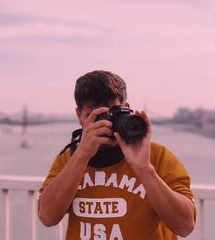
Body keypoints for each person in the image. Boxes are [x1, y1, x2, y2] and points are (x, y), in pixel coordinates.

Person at [38, 70, 196, 240]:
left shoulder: (158, 156)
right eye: (96, 116)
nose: (106, 125)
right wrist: (82, 155)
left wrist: (144, 169)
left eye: (113, 114)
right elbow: (47, 217)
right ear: (79, 116)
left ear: (126, 109)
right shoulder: (69, 159)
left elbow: (185, 226)